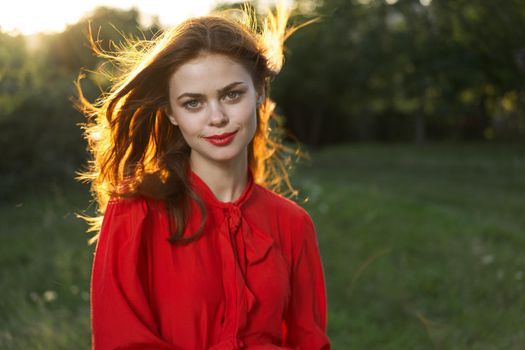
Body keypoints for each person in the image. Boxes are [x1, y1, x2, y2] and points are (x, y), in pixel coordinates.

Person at [77, 3, 331, 349]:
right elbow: (118, 341)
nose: (217, 118)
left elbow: (310, 342)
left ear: (259, 91)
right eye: (193, 103)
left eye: (231, 94)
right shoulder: (135, 212)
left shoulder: (293, 224)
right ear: (171, 112)